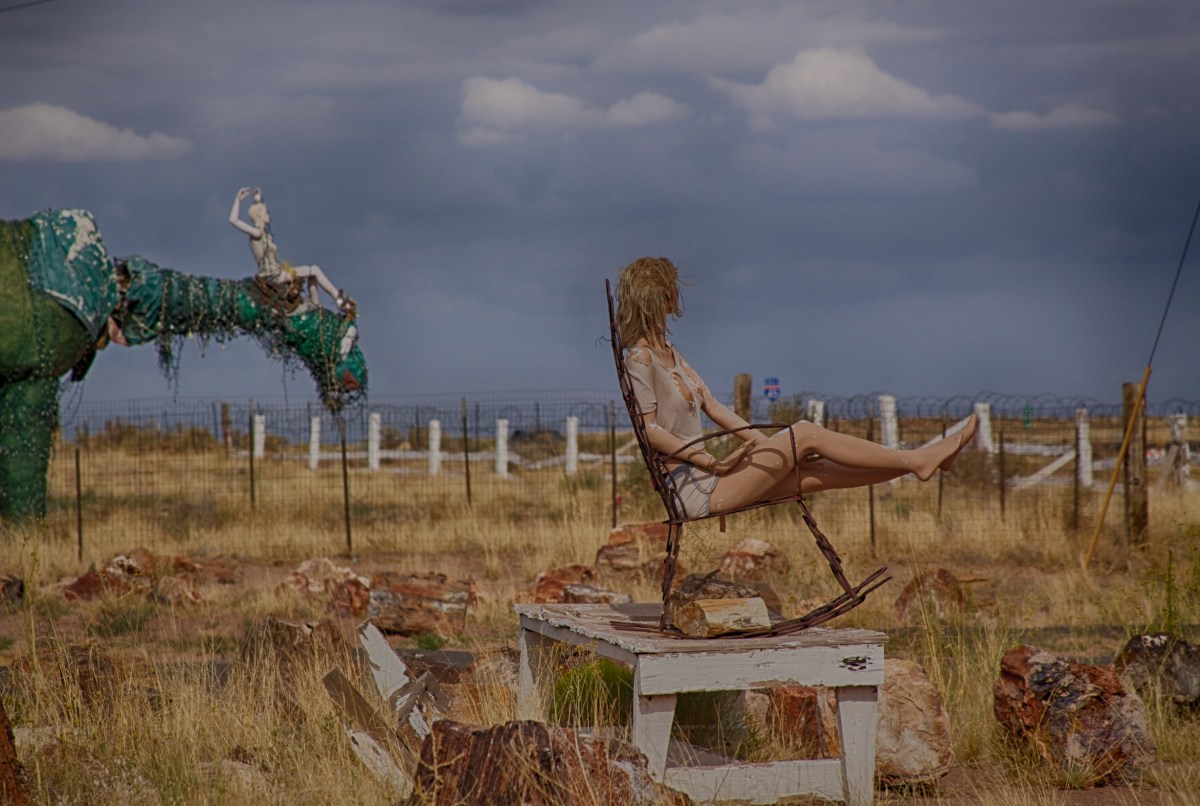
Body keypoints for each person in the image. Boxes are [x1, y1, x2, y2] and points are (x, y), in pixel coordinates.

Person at [616, 256, 978, 519]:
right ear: (658, 299)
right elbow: (650, 431)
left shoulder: (670, 352)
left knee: (820, 472)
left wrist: (765, 445)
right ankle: (919, 459)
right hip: (694, 489)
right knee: (804, 432)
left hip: (711, 477)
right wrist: (712, 461)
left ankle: (917, 462)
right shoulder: (640, 358)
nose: (677, 296)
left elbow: (712, 405)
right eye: (671, 290)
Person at [229, 187, 353, 315]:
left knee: (313, 273)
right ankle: (339, 301)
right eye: (266, 212)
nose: (268, 214)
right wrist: (237, 200)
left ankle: (316, 307)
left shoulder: (265, 234)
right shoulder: (257, 234)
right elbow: (233, 220)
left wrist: (257, 200)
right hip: (272, 276)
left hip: (278, 272)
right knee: (314, 270)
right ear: (259, 215)